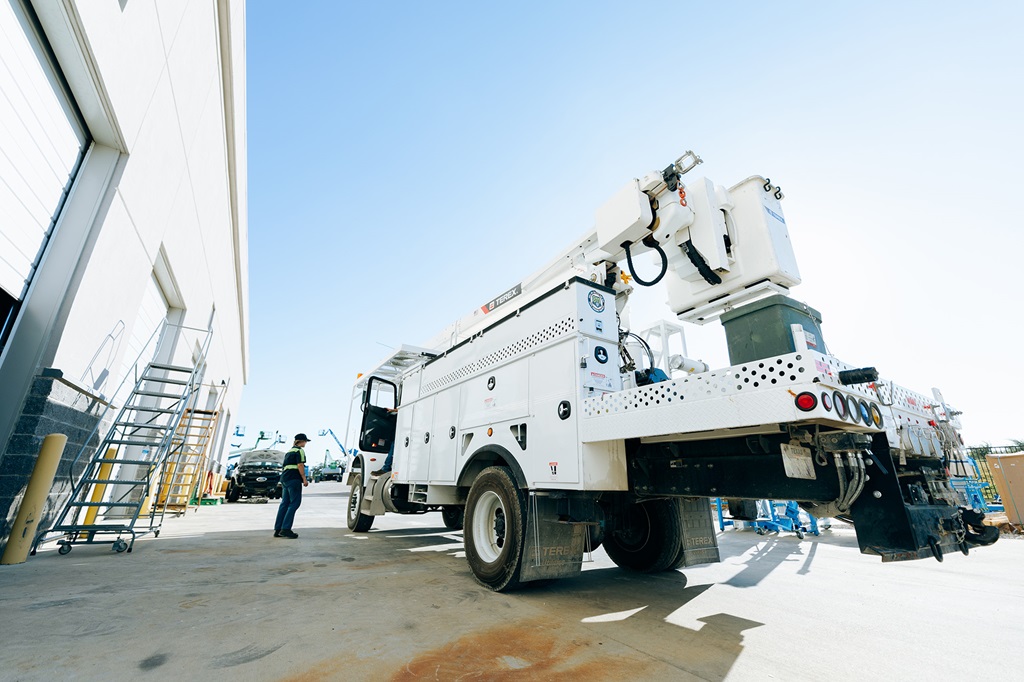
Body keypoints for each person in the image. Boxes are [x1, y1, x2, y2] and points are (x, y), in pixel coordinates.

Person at [274, 433, 310, 538]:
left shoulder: (289, 452)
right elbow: (300, 465)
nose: (306, 443)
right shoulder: (300, 451)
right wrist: (304, 478)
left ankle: (278, 529)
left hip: (285, 479)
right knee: (294, 503)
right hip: (294, 479)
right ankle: (286, 529)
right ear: (301, 441)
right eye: (305, 441)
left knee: (284, 503)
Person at [371, 408, 398, 476]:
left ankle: (386, 468)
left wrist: (393, 410)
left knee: (392, 451)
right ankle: (386, 467)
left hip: (398, 436)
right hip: (397, 436)